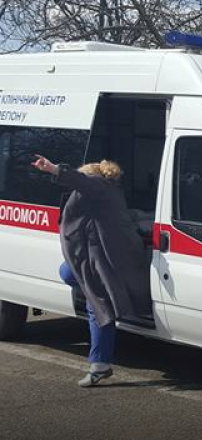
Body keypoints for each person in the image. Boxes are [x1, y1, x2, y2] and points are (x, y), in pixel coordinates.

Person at [31, 155, 153, 387]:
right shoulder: (109, 189)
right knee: (70, 275)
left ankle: (100, 365)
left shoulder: (98, 186)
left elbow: (81, 181)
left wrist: (54, 169)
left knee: (97, 308)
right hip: (102, 257)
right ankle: (100, 357)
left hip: (103, 261)